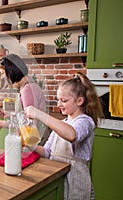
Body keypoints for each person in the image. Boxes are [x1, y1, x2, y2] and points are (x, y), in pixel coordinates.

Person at [24, 72, 103, 200]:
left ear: (80, 101)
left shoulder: (85, 121)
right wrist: (29, 144)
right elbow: (47, 152)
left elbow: (71, 135)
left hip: (75, 180)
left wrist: (39, 114)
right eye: (58, 100)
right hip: (57, 177)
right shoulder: (62, 124)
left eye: (64, 100)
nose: (59, 104)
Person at [0, 54, 48, 145]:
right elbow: (25, 115)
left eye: (3, 73)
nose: (2, 77)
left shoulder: (27, 90)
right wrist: (11, 114)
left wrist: (2, 124)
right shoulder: (27, 86)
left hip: (35, 141)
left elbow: (29, 124)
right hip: (34, 139)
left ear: (11, 71)